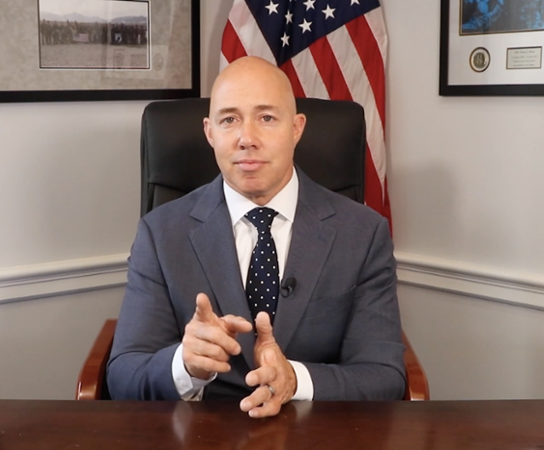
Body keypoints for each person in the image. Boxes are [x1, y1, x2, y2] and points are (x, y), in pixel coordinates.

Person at [107, 56, 405, 418]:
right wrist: (185, 365)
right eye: (229, 120)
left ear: (296, 128)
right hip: (202, 432)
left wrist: (295, 379)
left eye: (266, 118)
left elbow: (384, 376)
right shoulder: (160, 234)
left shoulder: (363, 233)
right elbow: (123, 376)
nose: (247, 139)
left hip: (315, 431)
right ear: (210, 132)